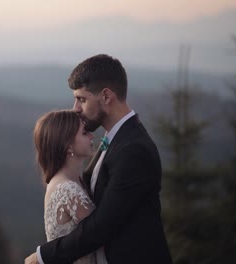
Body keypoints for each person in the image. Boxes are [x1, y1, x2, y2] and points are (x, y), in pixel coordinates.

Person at [25, 54, 172, 264]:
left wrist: (43, 256)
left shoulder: (134, 150)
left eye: (82, 99)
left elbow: (101, 226)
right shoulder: (114, 140)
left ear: (106, 96)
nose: (75, 108)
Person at [33, 110, 107, 264]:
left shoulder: (69, 180)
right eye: (85, 133)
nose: (92, 136)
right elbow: (102, 231)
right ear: (68, 146)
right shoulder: (67, 190)